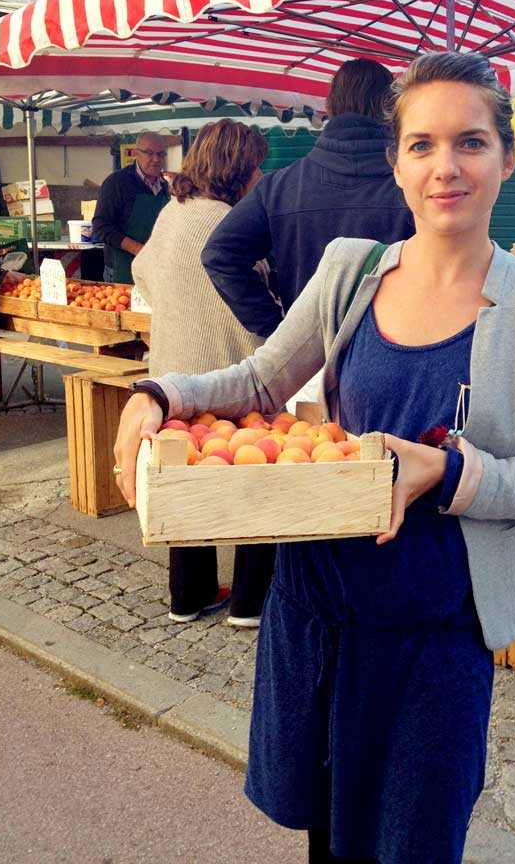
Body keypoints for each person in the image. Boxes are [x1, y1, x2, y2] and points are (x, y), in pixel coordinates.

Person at [113, 51, 515, 864]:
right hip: (319, 615)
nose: (446, 167)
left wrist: (450, 471)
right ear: (396, 163)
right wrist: (162, 393)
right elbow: (261, 377)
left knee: (416, 840)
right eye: (423, 145)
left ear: (506, 160)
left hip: (438, 637)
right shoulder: (351, 270)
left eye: (471, 143)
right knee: (329, 840)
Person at [132, 120, 274, 628]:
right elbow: (252, 297)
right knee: (254, 475)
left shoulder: (175, 210)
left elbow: (141, 269)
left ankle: (187, 596)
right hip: (225, 370)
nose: (260, 177)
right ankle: (251, 601)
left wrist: (177, 307)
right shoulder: (228, 221)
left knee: (187, 480)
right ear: (237, 170)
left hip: (172, 371)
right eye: (256, 167)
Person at [201, 58, 415, 339]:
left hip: (310, 367)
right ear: (391, 110)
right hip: (398, 358)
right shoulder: (415, 188)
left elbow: (219, 254)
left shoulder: (279, 186)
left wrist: (279, 332)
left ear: (330, 107)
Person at [93, 132, 170, 283]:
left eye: (161, 154)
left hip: (153, 268)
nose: (156, 159)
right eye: (149, 153)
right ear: (135, 153)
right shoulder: (117, 182)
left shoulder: (165, 187)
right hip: (121, 269)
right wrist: (138, 249)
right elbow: (101, 226)